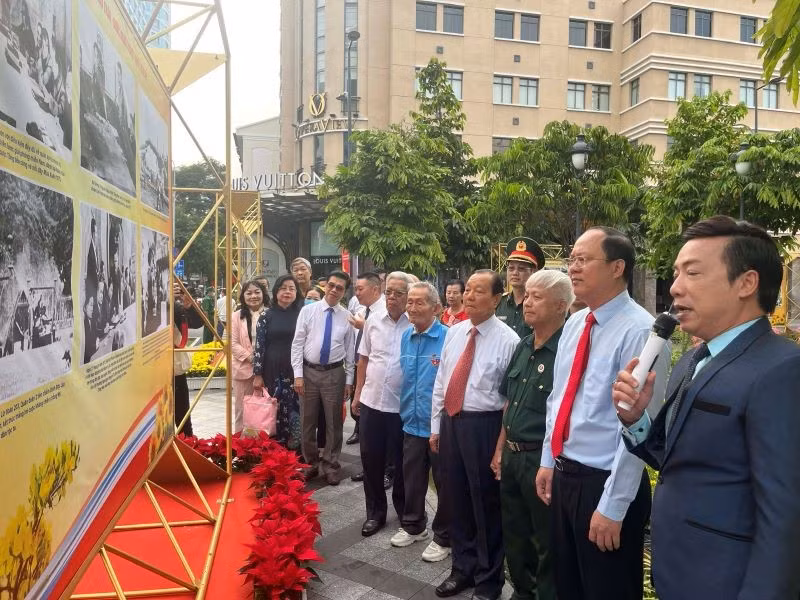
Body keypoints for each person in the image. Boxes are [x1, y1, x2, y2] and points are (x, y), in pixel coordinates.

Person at [612, 216, 800, 600]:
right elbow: (677, 460)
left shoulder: (782, 370)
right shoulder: (692, 360)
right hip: (678, 572)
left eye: (693, 273)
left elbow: (785, 517)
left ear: (746, 283)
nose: (675, 287)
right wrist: (636, 419)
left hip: (726, 582)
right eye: (676, 273)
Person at [535, 227, 669, 600]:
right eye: (571, 259)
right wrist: (548, 459)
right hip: (565, 475)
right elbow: (559, 398)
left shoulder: (642, 333)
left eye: (583, 259)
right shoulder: (577, 323)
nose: (572, 268)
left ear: (617, 267)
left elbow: (641, 428)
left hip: (605, 483)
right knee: (568, 586)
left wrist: (614, 505)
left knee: (607, 589)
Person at [431, 270, 520, 600]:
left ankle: (488, 580)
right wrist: (435, 426)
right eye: (467, 289)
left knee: (485, 504)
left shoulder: (509, 340)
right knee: (455, 498)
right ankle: (462, 568)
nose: (468, 296)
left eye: (478, 291)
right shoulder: (455, 332)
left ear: (496, 299)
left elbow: (510, 399)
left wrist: (500, 446)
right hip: (452, 422)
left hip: (485, 427)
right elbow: (442, 380)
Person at [491, 270, 574, 600]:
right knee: (515, 534)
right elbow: (509, 403)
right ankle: (522, 592)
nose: (527, 302)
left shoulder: (567, 351)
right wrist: (500, 449)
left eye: (537, 296)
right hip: (512, 456)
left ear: (561, 306)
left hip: (541, 460)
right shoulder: (523, 345)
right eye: (527, 295)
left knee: (546, 540)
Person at [392, 281, 451, 563]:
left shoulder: (449, 337)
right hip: (411, 422)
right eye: (410, 302)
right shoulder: (406, 336)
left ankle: (444, 537)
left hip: (439, 426)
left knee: (444, 482)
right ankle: (414, 526)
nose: (412, 308)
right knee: (412, 479)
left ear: (436, 308)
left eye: (419, 302)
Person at [351, 272, 411, 536]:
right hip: (372, 401)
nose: (392, 297)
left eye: (399, 293)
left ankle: (405, 510)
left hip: (402, 407)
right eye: (389, 292)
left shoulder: (415, 323)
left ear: (408, 296)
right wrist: (357, 394)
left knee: (402, 462)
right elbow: (363, 359)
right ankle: (375, 513)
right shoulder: (373, 321)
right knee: (371, 461)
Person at [291, 270, 355, 486]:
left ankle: (331, 464)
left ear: (344, 292)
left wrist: (349, 381)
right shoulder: (308, 311)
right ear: (325, 285)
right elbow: (297, 343)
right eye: (331, 285)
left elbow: (350, 351)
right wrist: (298, 375)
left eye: (340, 288)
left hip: (334, 374)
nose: (334, 290)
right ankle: (310, 463)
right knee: (307, 421)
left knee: (334, 422)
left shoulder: (347, 316)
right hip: (308, 373)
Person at [254, 275, 305, 451]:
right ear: (276, 292)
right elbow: (259, 346)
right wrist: (258, 374)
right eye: (283, 288)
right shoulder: (266, 315)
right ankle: (275, 452)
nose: (287, 292)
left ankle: (296, 451)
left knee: (295, 409)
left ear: (296, 293)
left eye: (291, 288)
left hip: (296, 370)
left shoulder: (302, 314)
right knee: (273, 408)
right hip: (272, 369)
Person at [347, 272, 385, 451]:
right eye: (355, 289)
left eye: (360, 289)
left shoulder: (385, 312)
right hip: (360, 365)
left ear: (375, 289)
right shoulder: (361, 311)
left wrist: (365, 326)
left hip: (376, 371)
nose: (357, 293)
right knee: (358, 406)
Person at [230, 280, 268, 432]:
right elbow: (232, 343)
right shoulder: (236, 316)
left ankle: (265, 442)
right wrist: (253, 358)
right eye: (249, 293)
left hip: (268, 370)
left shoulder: (271, 314)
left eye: (257, 292)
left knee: (266, 410)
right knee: (242, 410)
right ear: (243, 296)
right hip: (243, 370)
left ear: (263, 294)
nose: (253, 296)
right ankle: (241, 442)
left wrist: (262, 362)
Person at [496, 237, 545, 338]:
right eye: (511, 268)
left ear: (533, 271)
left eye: (521, 269)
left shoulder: (541, 305)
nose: (515, 273)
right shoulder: (498, 303)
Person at [173, 286, 193, 436]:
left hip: (175, 368)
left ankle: (187, 442)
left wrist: (188, 306)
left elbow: (196, 322)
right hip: (152, 370)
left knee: (182, 413)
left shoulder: (177, 307)